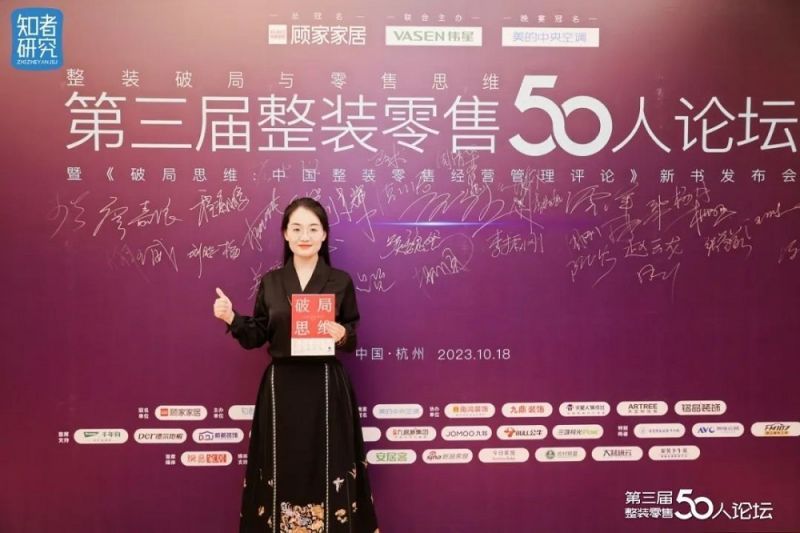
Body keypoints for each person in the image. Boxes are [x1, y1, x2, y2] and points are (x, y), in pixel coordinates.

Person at [213, 197, 379, 533]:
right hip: (282, 386)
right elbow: (257, 334)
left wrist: (341, 334)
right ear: (286, 234)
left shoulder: (340, 281)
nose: (305, 236)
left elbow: (352, 336)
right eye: (297, 228)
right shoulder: (272, 282)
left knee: (328, 463)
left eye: (313, 229)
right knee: (282, 461)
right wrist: (232, 318)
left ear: (324, 235)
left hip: (325, 384)